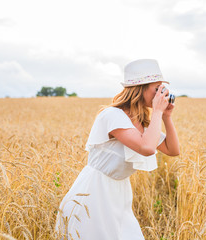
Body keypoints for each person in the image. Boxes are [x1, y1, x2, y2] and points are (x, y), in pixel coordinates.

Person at [55, 59, 180, 239]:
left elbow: (172, 150)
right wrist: (157, 112)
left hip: (119, 193)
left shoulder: (143, 124)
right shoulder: (112, 115)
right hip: (95, 193)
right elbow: (147, 148)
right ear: (141, 88)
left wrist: (166, 116)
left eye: (163, 88)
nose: (162, 93)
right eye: (157, 88)